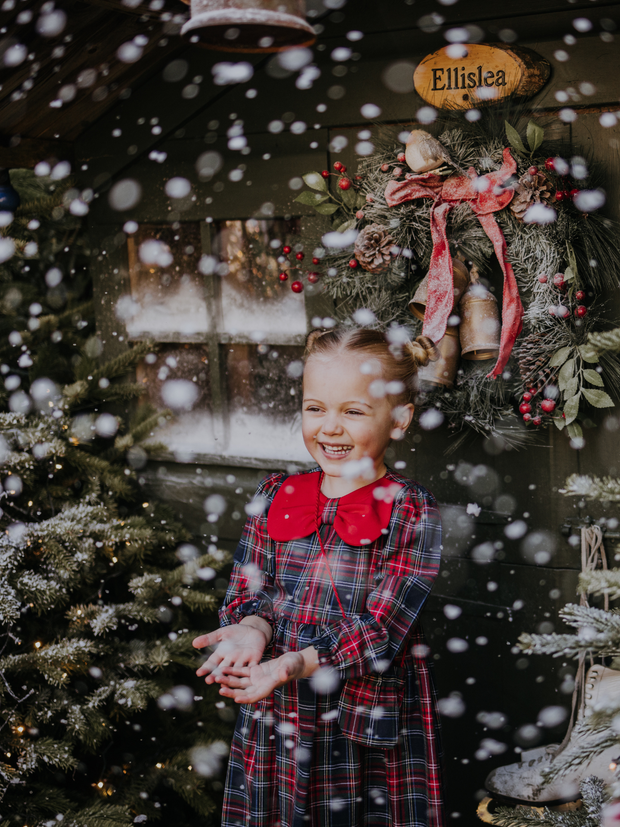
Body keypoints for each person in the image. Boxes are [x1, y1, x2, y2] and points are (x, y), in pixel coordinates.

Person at [192, 327, 445, 827]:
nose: (330, 428)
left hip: (359, 720)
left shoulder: (410, 509)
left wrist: (296, 662)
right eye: (315, 408)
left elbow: (381, 630)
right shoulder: (275, 495)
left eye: (353, 412)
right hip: (277, 710)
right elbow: (250, 591)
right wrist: (252, 628)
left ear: (399, 419)